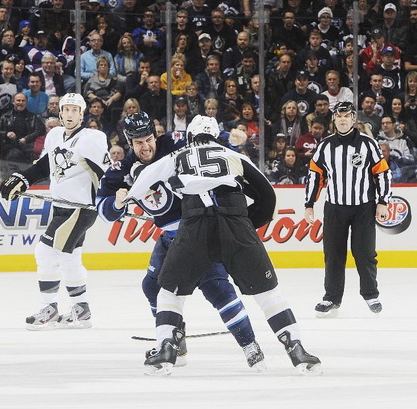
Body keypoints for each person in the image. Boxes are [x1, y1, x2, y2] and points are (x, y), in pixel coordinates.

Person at [123, 114, 322, 376]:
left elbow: (144, 180)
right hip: (235, 224)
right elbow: (266, 193)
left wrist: (125, 200)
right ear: (216, 137)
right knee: (269, 294)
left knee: (169, 293)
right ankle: (296, 350)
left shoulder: (178, 157)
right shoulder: (234, 156)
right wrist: (248, 224)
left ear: (190, 138)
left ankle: (167, 350)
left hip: (194, 227)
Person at [96, 112, 269, 372]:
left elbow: (205, 140)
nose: (146, 146)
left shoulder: (174, 144)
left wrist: (230, 138)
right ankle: (175, 344)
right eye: (139, 142)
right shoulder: (121, 169)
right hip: (169, 236)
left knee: (217, 289)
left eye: (149, 139)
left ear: (156, 135)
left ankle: (250, 345)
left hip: (199, 229)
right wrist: (117, 202)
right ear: (129, 143)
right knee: (152, 286)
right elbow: (104, 210)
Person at [0, 93, 110, 330]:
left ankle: (49, 308)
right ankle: (82, 308)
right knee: (70, 257)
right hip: (60, 205)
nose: (70, 114)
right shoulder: (55, 135)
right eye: (66, 109)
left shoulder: (92, 139)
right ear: (60, 112)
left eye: (74, 110)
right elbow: (45, 165)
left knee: (45, 252)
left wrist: (111, 199)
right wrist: (22, 179)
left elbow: (106, 175)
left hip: (80, 209)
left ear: (82, 114)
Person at [304, 101, 392, 318]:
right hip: (334, 208)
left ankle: (371, 294)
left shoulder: (368, 144)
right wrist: (309, 204)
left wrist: (383, 201)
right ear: (334, 119)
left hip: (363, 207)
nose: (343, 119)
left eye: (347, 116)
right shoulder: (325, 146)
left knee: (365, 253)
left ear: (354, 119)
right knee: (333, 254)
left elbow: (382, 173)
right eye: (339, 116)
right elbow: (315, 176)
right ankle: (331, 298)